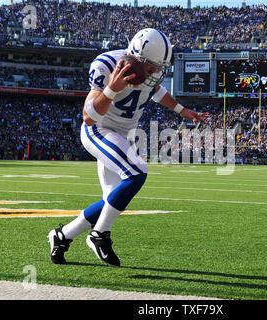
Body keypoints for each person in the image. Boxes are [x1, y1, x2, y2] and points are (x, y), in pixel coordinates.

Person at [47, 28, 209, 266]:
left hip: (124, 135)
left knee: (112, 200)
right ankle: (99, 235)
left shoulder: (148, 72)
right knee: (137, 172)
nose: (155, 72)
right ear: (135, 58)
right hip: (99, 129)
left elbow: (156, 91)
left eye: (159, 67)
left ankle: (62, 236)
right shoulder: (106, 64)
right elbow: (88, 117)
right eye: (151, 67)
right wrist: (112, 88)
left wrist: (180, 110)